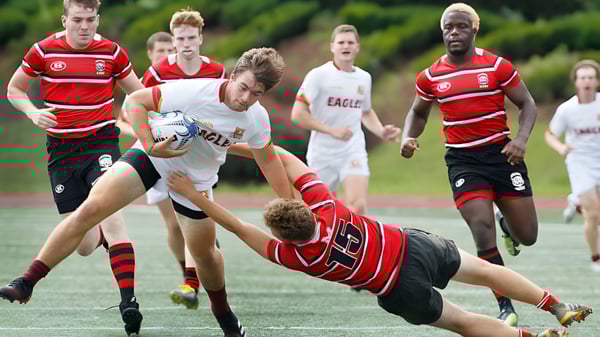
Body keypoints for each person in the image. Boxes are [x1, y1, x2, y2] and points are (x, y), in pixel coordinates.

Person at [0, 47, 293, 337]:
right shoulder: (193, 91)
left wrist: (289, 206)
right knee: (89, 209)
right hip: (152, 157)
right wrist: (150, 143)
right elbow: (135, 103)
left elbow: (267, 159)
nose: (245, 98)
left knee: (204, 255)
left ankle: (223, 312)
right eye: (243, 87)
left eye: (256, 94)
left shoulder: (255, 119)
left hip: (195, 181)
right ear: (233, 75)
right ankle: (26, 281)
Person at [170, 143, 592, 337]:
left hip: (397, 288)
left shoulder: (297, 257)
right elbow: (284, 157)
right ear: (302, 207)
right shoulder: (328, 206)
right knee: (486, 271)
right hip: (415, 247)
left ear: (283, 235)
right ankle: (555, 305)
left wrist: (193, 195)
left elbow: (238, 228)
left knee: (463, 322)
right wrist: (234, 145)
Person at [4, 0, 144, 334]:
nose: (84, 26)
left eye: (90, 20)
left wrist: (152, 121)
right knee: (82, 244)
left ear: (98, 19)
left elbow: (139, 94)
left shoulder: (112, 53)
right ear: (64, 19)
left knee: (111, 213)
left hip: (101, 144)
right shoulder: (43, 51)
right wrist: (33, 112)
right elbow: (15, 89)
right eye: (77, 20)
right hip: (62, 152)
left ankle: (129, 302)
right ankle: (96, 240)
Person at [399, 3, 539, 326]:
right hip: (463, 162)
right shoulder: (431, 75)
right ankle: (505, 305)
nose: (454, 33)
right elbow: (418, 112)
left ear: (474, 29)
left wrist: (521, 139)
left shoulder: (496, 67)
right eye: (448, 28)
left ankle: (509, 227)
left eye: (461, 26)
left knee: (528, 235)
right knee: (481, 229)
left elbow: (527, 103)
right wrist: (408, 136)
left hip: (502, 156)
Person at [141, 8, 226, 310]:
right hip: (162, 156)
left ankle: (192, 281)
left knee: (194, 218)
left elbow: (224, 109)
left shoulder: (216, 70)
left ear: (201, 38)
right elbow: (137, 105)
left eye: (191, 37)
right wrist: (154, 134)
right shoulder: (157, 72)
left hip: (197, 158)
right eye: (180, 38)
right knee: (175, 227)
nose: (186, 43)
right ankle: (189, 272)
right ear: (174, 41)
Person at [291, 24, 400, 216]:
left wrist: (382, 131)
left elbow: (365, 112)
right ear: (332, 46)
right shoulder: (318, 75)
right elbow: (297, 114)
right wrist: (330, 130)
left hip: (352, 149)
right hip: (322, 153)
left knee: (357, 205)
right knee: (319, 210)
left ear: (358, 46)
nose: (345, 46)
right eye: (341, 42)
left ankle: (357, 245)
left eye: (350, 42)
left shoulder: (364, 78)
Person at [545, 59, 600, 271]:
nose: (587, 81)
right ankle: (596, 258)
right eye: (583, 77)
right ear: (576, 82)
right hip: (579, 162)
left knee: (596, 213)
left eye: (591, 77)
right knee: (593, 214)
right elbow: (550, 135)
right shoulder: (567, 109)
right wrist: (561, 148)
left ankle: (575, 201)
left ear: (596, 81)